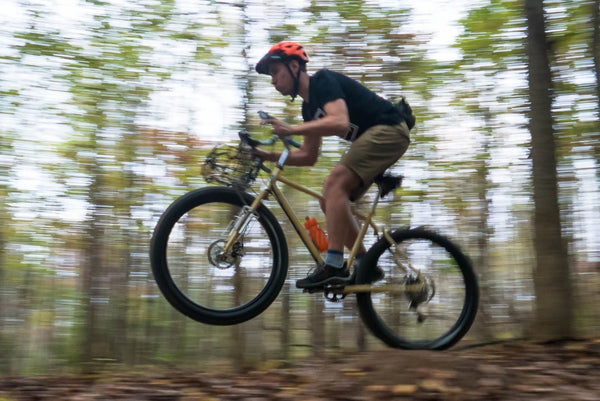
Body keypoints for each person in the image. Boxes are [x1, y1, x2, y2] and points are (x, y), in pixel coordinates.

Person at [253, 41, 411, 289]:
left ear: (294, 66)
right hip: (378, 136)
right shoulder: (309, 108)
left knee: (335, 183)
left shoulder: (323, 81)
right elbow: (308, 155)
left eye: (275, 72)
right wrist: (264, 155)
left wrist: (291, 128)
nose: (273, 80)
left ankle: (334, 264)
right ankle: (365, 264)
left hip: (390, 129)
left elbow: (339, 122)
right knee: (328, 200)